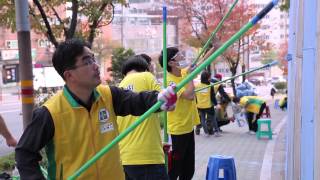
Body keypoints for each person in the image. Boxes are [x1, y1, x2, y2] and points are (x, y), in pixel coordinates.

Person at [15, 39, 177, 180]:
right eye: (87, 61)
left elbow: (136, 101)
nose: (95, 65)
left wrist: (159, 99)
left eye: (93, 59)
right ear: (69, 75)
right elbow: (24, 152)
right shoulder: (50, 113)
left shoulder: (108, 95)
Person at [117, 55, 169, 180]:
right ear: (145, 68)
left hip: (125, 157)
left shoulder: (119, 87)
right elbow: (166, 101)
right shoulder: (147, 76)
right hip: (148, 157)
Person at [159, 47, 199, 180]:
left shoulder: (182, 73)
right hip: (177, 130)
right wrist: (190, 76)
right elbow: (189, 95)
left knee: (188, 169)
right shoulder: (169, 80)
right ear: (171, 62)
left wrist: (214, 48)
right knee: (175, 169)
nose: (182, 56)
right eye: (179, 55)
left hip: (188, 127)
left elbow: (201, 61)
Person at [195, 71, 220, 137]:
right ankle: (216, 132)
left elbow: (195, 96)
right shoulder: (210, 86)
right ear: (207, 78)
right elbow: (212, 96)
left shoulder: (197, 86)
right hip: (208, 105)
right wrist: (216, 104)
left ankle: (206, 133)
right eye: (209, 77)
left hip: (200, 106)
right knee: (213, 118)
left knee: (202, 119)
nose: (210, 78)